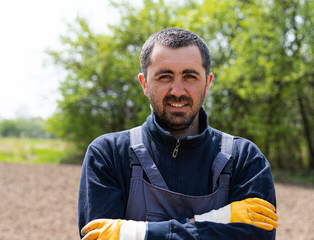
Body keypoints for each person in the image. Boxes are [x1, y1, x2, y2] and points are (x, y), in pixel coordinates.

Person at [78, 28, 278, 240]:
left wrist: (137, 234)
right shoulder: (107, 155)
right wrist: (219, 219)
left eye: (189, 76)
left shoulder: (244, 159)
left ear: (208, 82)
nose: (178, 90)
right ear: (144, 84)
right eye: (165, 76)